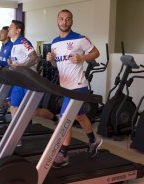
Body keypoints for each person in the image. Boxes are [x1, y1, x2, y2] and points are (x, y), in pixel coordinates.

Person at [46, 9, 102, 168]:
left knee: (65, 119)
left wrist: (82, 57)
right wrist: (52, 60)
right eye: (62, 19)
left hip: (78, 86)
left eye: (68, 19)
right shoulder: (55, 42)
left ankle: (63, 154)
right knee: (80, 116)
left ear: (72, 21)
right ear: (57, 21)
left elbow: (96, 52)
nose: (64, 22)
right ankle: (94, 140)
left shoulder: (80, 39)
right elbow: (58, 64)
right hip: (65, 87)